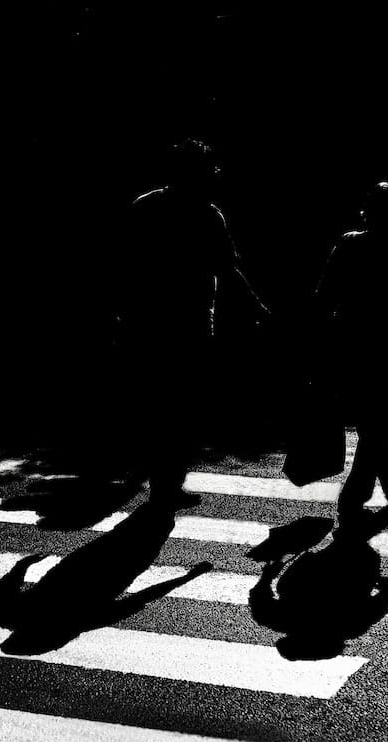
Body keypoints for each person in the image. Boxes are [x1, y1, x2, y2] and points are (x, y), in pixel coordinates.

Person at [119, 138, 269, 506]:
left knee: (158, 403)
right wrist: (257, 308)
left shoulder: (145, 206)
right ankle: (167, 484)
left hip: (146, 321)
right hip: (189, 323)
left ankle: (161, 480)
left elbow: (122, 266)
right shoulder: (206, 214)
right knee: (182, 406)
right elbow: (227, 268)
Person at [316, 178, 388, 519]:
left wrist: (319, 337)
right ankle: (355, 493)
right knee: (378, 424)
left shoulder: (349, 244)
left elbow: (325, 295)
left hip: (350, 344)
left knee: (371, 424)